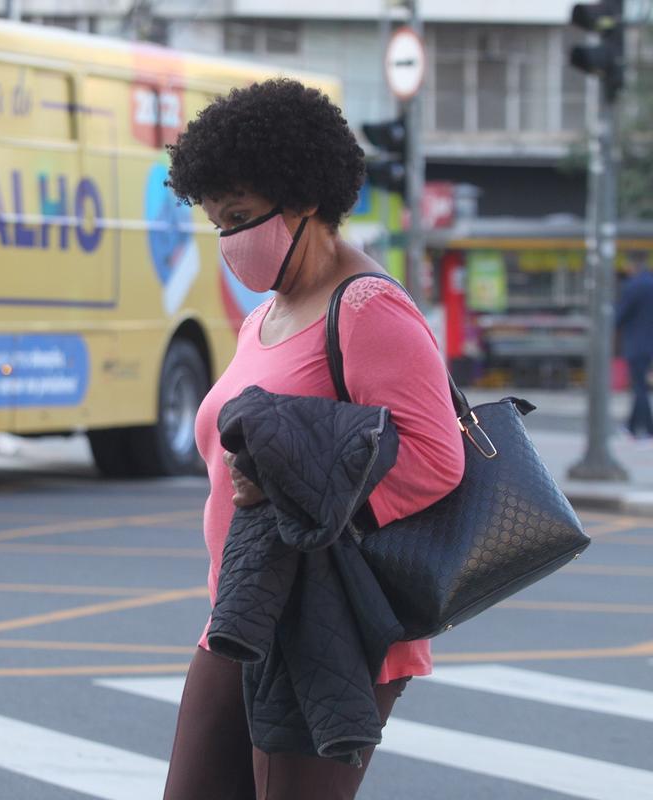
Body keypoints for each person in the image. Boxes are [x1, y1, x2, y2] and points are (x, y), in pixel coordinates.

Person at [161, 78, 465, 799]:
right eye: (216, 222)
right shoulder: (269, 312)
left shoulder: (367, 308)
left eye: (238, 216)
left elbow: (435, 459)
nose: (228, 240)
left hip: (327, 623)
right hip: (245, 606)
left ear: (301, 199)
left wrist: (285, 482)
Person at [617, 255, 653, 439]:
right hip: (649, 344)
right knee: (640, 386)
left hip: (637, 344)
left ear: (633, 265)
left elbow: (620, 316)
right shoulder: (651, 283)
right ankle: (631, 426)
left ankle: (647, 429)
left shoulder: (634, 286)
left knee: (639, 388)